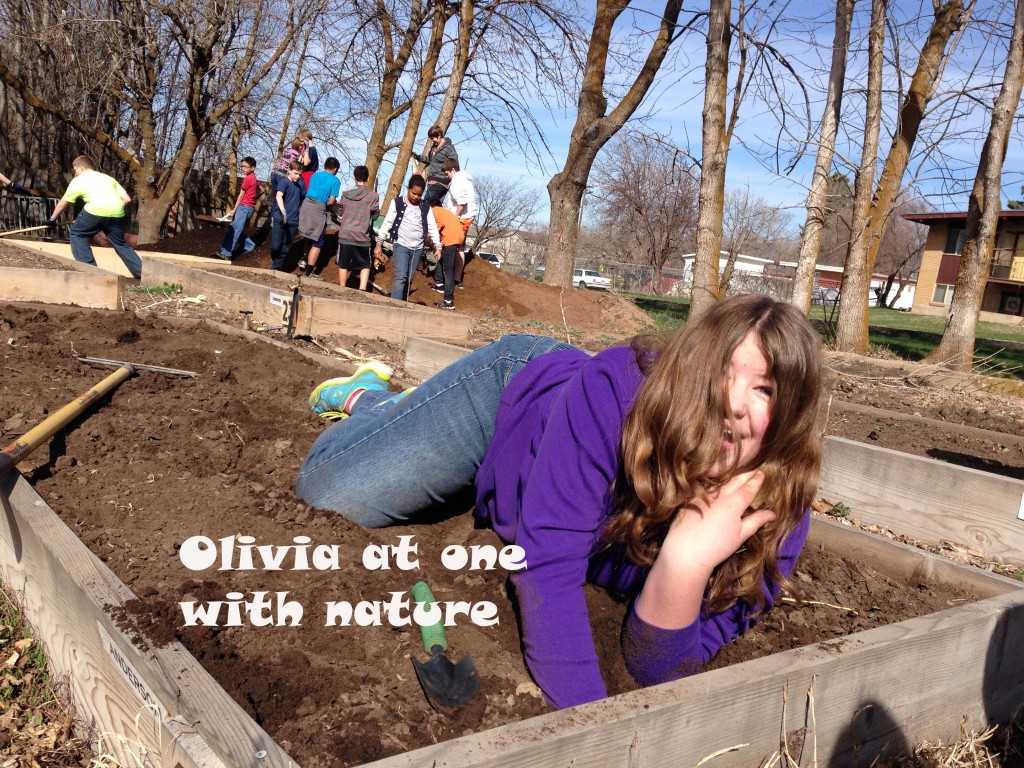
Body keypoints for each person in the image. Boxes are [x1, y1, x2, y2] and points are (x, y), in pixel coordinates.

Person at [296, 294, 823, 710]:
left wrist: (686, 562)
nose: (733, 403)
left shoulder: (776, 518)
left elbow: (659, 669)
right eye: (722, 373)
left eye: (765, 389)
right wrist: (595, 740)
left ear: (791, 417)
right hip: (515, 401)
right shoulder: (615, 395)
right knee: (329, 494)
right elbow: (546, 571)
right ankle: (374, 401)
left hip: (552, 439)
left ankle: (398, 412)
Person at [47, 156, 143, 279]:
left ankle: (90, 272)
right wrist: (110, 209)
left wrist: (52, 219)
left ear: (81, 167)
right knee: (120, 244)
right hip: (117, 214)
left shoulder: (79, 180)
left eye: (75, 170)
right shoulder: (108, 178)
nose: (75, 173)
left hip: (94, 212)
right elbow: (127, 199)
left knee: (77, 234)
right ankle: (142, 273)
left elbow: (63, 202)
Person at [373, 174, 441, 301]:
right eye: (413, 193)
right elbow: (387, 223)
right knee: (401, 276)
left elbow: (432, 227)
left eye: (419, 195)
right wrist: (379, 243)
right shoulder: (397, 203)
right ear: (408, 189)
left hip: (417, 248)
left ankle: (403, 303)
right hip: (401, 244)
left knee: (409, 278)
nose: (416, 197)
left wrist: (438, 246)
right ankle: (395, 305)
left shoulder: (425, 207)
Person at [334, 165, 380, 292]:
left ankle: (342, 288)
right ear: (367, 178)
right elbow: (375, 216)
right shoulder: (373, 196)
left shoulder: (346, 194)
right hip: (362, 237)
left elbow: (340, 211)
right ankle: (362, 289)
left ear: (354, 178)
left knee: (343, 264)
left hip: (345, 235)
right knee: (365, 264)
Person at [297, 156, 341, 279]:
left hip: (306, 205)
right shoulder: (335, 181)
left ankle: (304, 259)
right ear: (335, 169)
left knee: (308, 236)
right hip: (318, 209)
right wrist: (331, 207)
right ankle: (309, 272)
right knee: (318, 241)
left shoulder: (315, 176)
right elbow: (331, 201)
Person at [442, 158, 476, 288]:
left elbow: (462, 202)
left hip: (461, 218)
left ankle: (451, 279)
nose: (446, 176)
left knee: (452, 246)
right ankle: (456, 278)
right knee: (459, 247)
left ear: (453, 170)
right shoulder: (464, 179)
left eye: (447, 174)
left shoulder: (458, 180)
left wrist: (453, 217)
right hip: (466, 217)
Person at [217, 156, 259, 261]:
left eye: (245, 167)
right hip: (249, 208)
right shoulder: (254, 178)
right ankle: (250, 245)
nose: (243, 169)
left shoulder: (247, 179)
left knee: (234, 230)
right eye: (242, 166)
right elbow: (262, 190)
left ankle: (225, 253)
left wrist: (234, 210)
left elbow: (240, 196)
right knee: (237, 229)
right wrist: (253, 199)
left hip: (244, 208)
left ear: (253, 168)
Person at [270, 162, 304, 272]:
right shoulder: (284, 182)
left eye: (300, 174)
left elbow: (302, 200)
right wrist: (283, 211)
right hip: (280, 218)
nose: (298, 176)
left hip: (293, 221)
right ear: (289, 170)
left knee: (286, 247)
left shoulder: (299, 186)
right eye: (296, 173)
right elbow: (279, 195)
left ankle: (275, 268)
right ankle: (275, 260)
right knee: (276, 246)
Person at [412, 126, 458, 207]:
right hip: (432, 180)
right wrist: (417, 157)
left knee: (426, 204)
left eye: (433, 138)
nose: (432, 140)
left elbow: (454, 163)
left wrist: (454, 179)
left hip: (440, 181)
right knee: (435, 207)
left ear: (439, 135)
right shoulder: (434, 147)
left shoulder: (448, 148)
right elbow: (430, 160)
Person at [429, 204, 463, 310]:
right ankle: (439, 284)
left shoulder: (432, 212)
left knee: (448, 270)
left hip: (450, 238)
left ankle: (449, 301)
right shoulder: (441, 211)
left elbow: (434, 231)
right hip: (457, 235)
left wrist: (427, 243)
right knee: (440, 258)